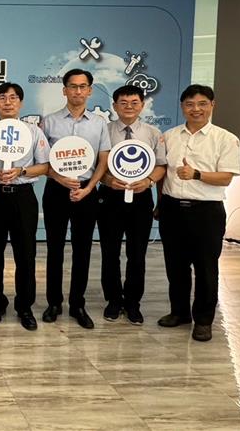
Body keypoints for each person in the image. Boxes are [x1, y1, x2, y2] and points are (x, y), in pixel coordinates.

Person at [158, 85, 240, 342]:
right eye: (190, 104)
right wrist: (160, 203)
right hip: (172, 209)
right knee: (176, 266)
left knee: (206, 267)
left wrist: (196, 174)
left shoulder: (225, 139)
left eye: (202, 103)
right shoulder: (169, 136)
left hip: (206, 211)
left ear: (212, 105)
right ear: (182, 106)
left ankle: (204, 320)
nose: (196, 109)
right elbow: (164, 174)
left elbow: (226, 177)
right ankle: (179, 312)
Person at [41, 69, 110, 329]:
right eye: (73, 86)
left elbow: (103, 160)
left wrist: (89, 187)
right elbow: (42, 161)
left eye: (83, 87)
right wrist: (59, 179)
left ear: (90, 90)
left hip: (87, 190)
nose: (78, 91)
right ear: (64, 90)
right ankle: (54, 302)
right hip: (56, 189)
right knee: (54, 247)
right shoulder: (49, 122)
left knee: (82, 248)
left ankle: (77, 304)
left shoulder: (99, 123)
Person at [0, 83, 49, 330]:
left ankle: (25, 306)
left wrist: (22, 170)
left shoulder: (33, 131)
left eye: (13, 98)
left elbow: (46, 166)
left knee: (26, 254)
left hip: (23, 195)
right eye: (2, 98)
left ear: (20, 103)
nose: (8, 102)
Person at [97, 85, 165, 325]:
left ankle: (133, 303)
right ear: (114, 106)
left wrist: (148, 181)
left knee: (137, 254)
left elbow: (161, 166)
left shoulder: (153, 133)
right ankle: (113, 301)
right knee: (110, 252)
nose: (128, 107)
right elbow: (97, 166)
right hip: (110, 197)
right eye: (123, 102)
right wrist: (107, 180)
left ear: (142, 105)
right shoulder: (103, 131)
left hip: (141, 198)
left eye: (134, 102)